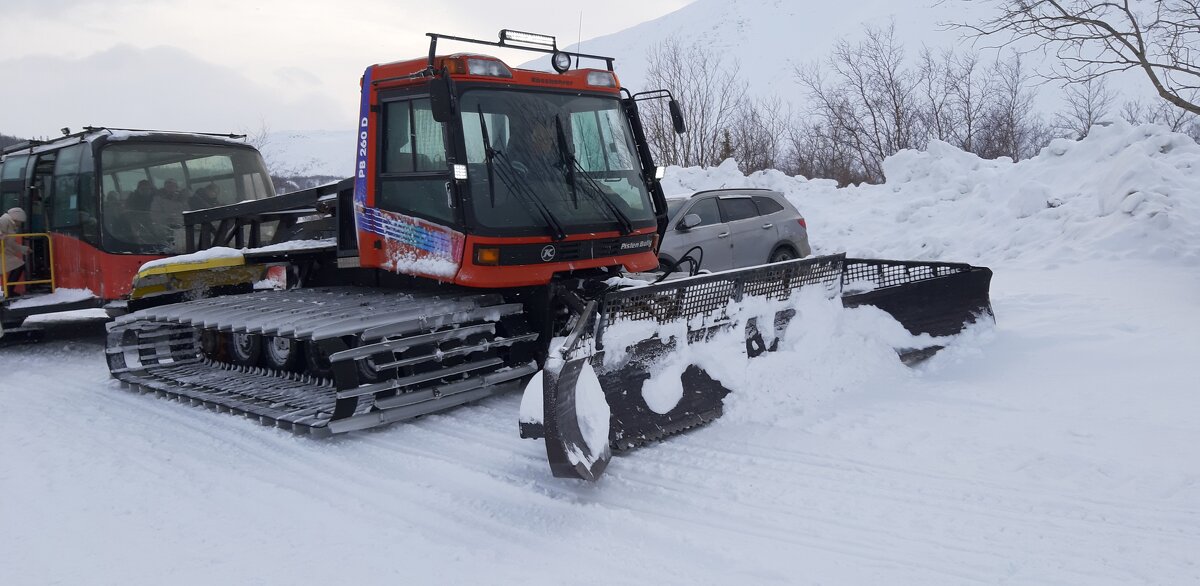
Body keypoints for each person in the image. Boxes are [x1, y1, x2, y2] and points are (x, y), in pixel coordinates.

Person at [0, 207, 30, 297]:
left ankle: (9, 291)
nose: (20, 224)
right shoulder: (4, 220)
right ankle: (9, 291)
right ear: (17, 218)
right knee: (19, 266)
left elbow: (11, 243)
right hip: (2, 253)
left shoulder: (10, 224)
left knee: (19, 265)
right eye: (20, 221)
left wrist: (24, 249)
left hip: (3, 253)